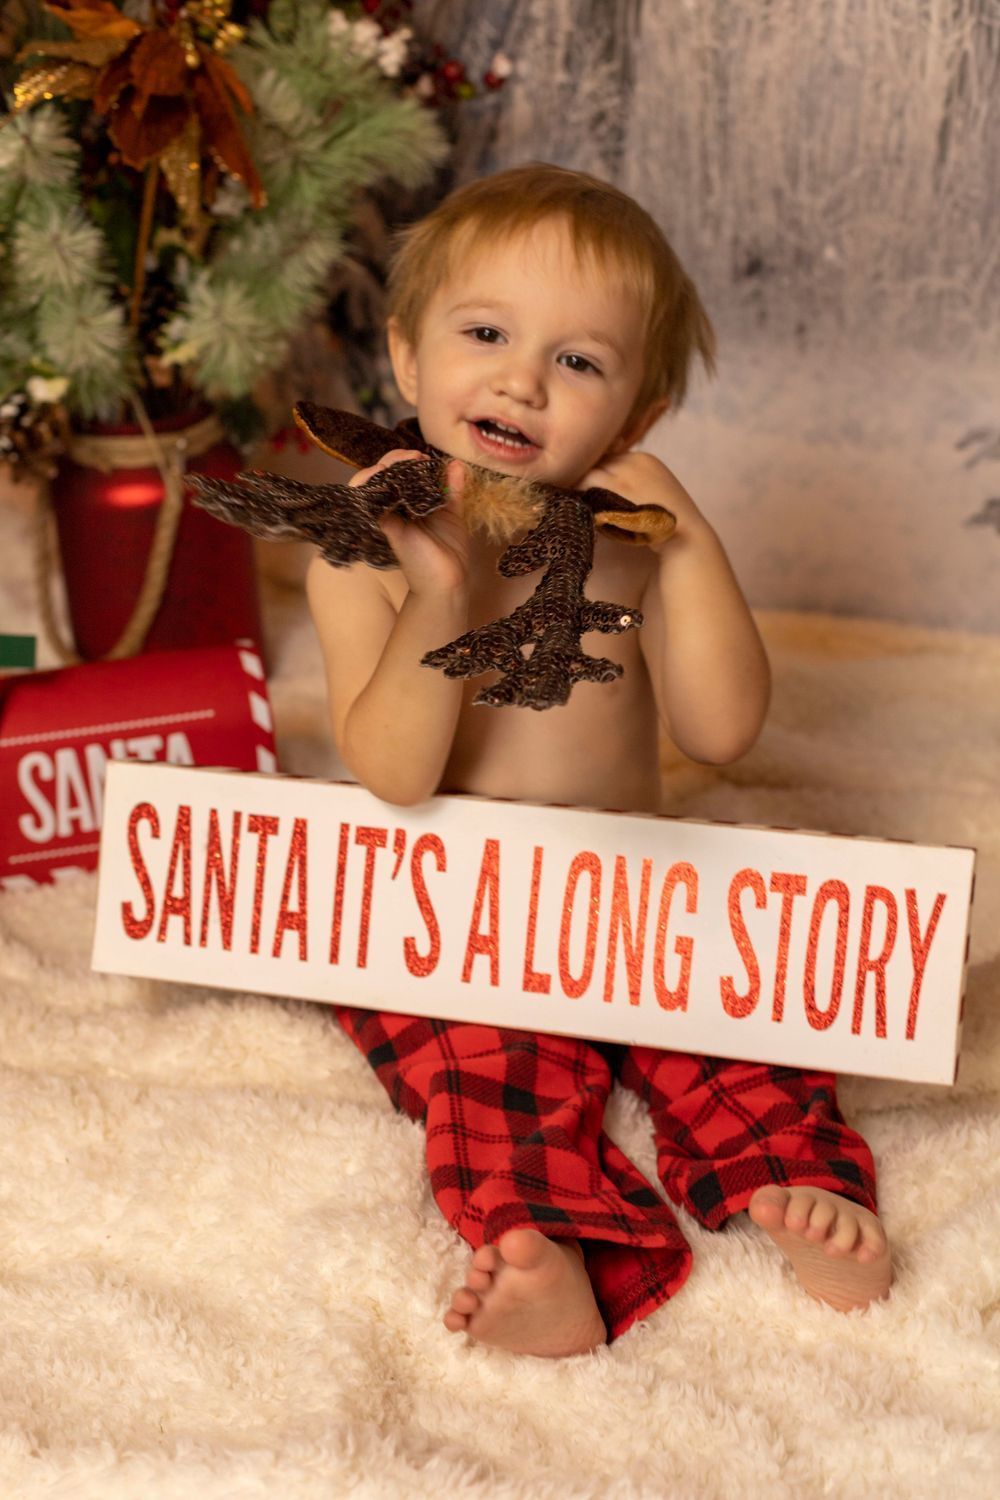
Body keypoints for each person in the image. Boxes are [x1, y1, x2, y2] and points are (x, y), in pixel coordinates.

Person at [306, 163, 892, 1358]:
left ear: (631, 423)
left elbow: (723, 735)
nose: (522, 377)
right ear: (409, 360)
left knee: (735, 1023)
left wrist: (692, 548)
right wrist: (438, 591)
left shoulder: (625, 550)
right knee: (480, 1071)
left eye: (578, 361)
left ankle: (799, 1182)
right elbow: (396, 774)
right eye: (485, 334)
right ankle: (550, 1249)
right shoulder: (359, 558)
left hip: (625, 895)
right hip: (459, 908)